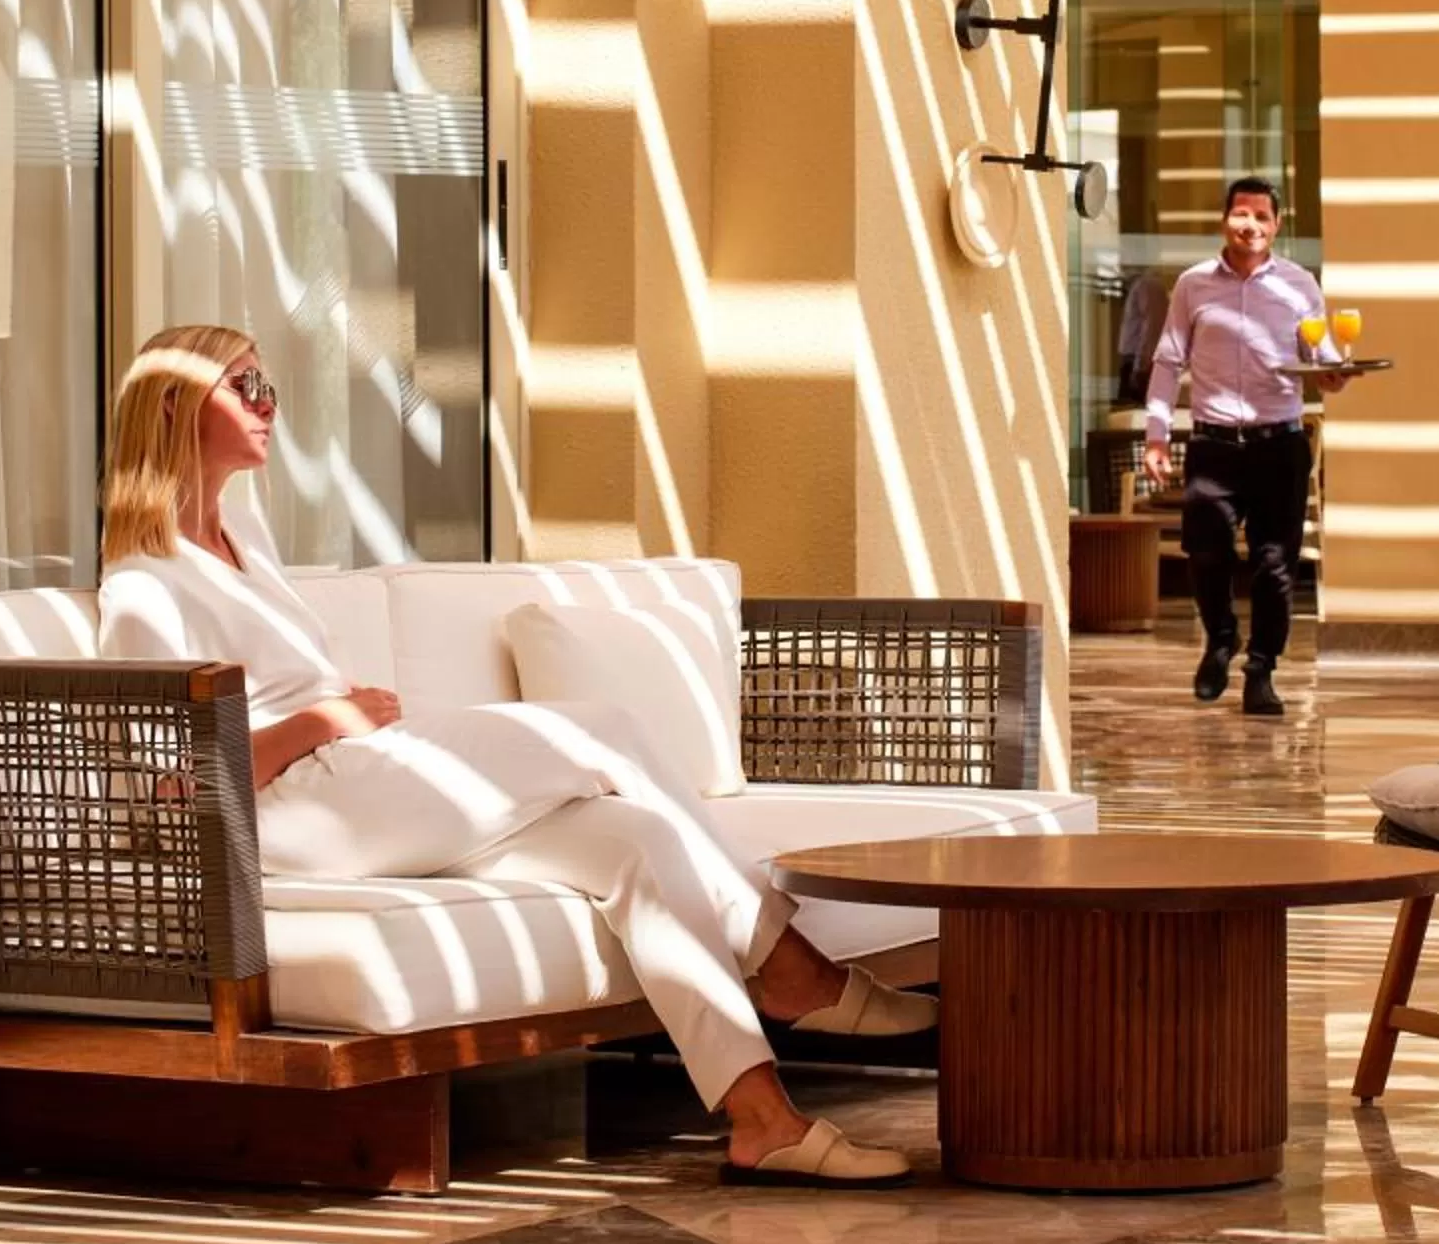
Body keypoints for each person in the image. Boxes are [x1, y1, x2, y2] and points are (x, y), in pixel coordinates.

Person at [93, 323, 925, 1189]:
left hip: (360, 788)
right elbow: (168, 784)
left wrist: (342, 720)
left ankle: (765, 1123)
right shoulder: (146, 586)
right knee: (599, 725)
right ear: (174, 402)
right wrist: (324, 720)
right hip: (294, 815)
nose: (271, 408)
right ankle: (788, 965)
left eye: (271, 387)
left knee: (634, 840)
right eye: (247, 388)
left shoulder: (244, 540)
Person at [1140, 179, 1342, 718]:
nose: (1249, 224)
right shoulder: (1193, 285)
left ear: (1276, 226)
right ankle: (1221, 639)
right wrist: (1156, 435)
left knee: (1276, 565)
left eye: (1261, 216)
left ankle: (1260, 671)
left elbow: (1320, 357)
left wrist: (1332, 376)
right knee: (1205, 553)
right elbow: (1167, 362)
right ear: (1224, 219)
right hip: (1213, 444)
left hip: (1280, 445)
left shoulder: (1300, 285)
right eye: (1240, 214)